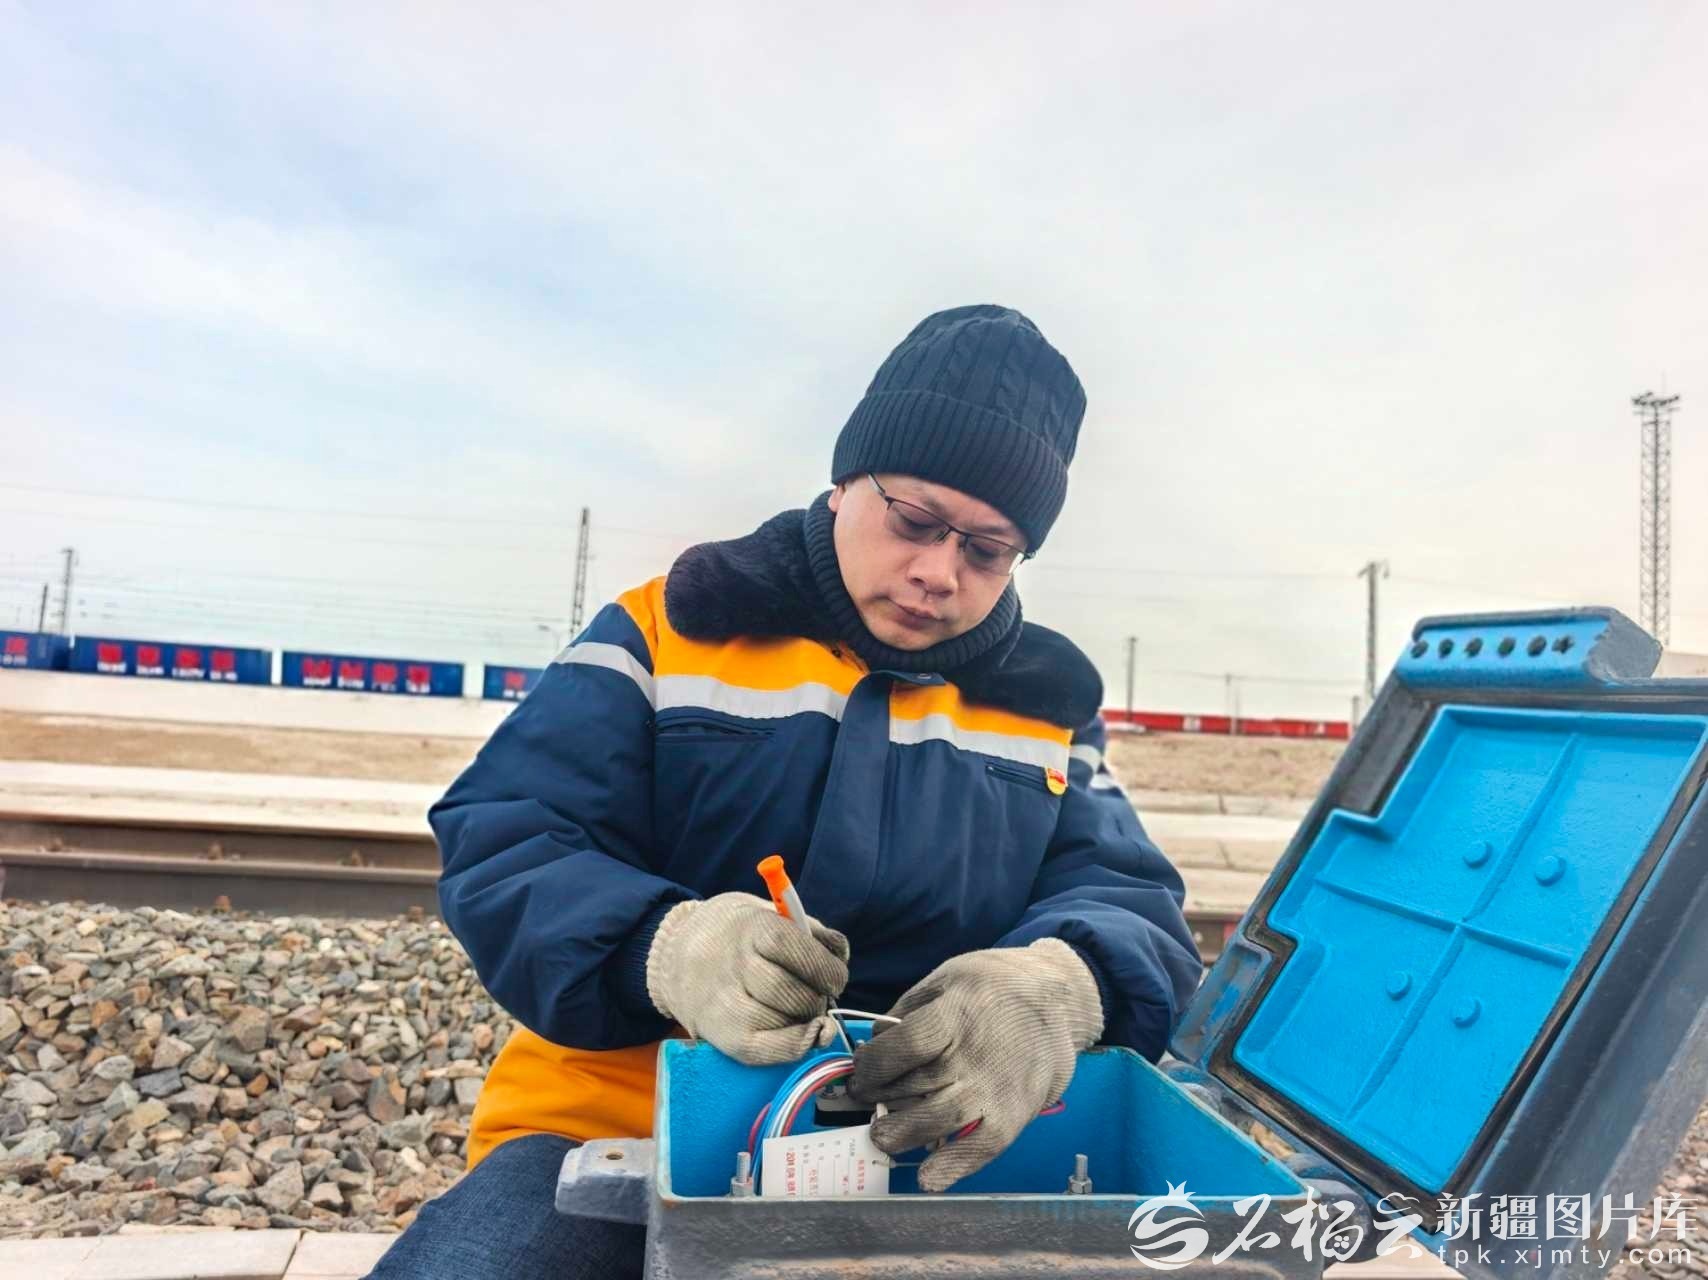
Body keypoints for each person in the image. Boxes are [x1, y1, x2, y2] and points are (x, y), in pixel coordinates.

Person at [365, 305, 1203, 1279]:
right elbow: (508, 838)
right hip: (616, 1125)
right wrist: (668, 948)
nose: (938, 572)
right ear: (846, 482)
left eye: (986, 550)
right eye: (914, 522)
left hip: (922, 1156)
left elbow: (1134, 906)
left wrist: (1054, 988)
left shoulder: (1044, 707)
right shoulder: (668, 630)